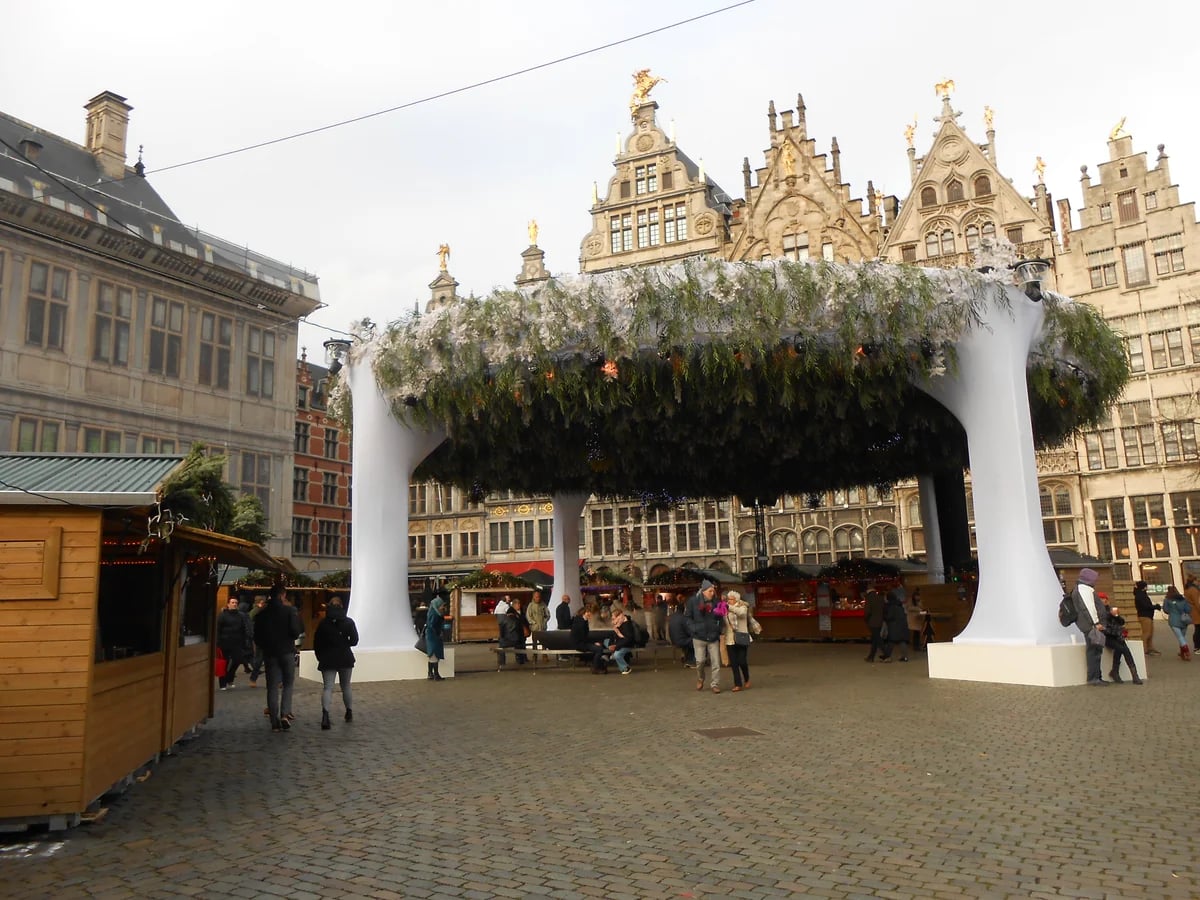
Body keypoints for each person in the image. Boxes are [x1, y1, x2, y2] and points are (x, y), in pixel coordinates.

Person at [254, 585, 304, 731]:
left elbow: (257, 637)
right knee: (288, 684)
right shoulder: (289, 611)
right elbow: (296, 632)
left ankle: (273, 721)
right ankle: (284, 714)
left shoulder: (262, 614)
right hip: (287, 651)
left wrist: (265, 645)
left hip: (270, 653)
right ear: (282, 595)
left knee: (272, 687)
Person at [313, 596, 359, 728]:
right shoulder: (349, 622)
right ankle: (349, 711)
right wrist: (345, 643)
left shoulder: (323, 623)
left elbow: (317, 643)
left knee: (328, 687)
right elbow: (355, 641)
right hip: (345, 656)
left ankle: (325, 715)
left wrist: (320, 656)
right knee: (346, 686)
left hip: (328, 658)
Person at [685, 579, 724, 693]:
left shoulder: (716, 602)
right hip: (699, 636)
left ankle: (715, 684)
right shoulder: (693, 601)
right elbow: (687, 617)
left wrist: (718, 628)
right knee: (700, 661)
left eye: (713, 591)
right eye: (710, 591)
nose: (713, 593)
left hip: (713, 636)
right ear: (704, 591)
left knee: (716, 662)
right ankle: (700, 678)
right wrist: (693, 628)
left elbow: (720, 617)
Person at [1070, 567, 1108, 684]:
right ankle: (1094, 678)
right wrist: (1096, 623)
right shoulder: (1084, 590)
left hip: (1089, 625)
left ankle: (1096, 676)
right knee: (1094, 651)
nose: (1095, 580)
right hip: (1091, 626)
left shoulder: (1081, 589)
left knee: (1095, 650)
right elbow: (1089, 608)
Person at [1098, 596, 1142, 685]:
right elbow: (1104, 628)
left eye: (1105, 599)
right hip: (1107, 637)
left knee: (1124, 649)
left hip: (1117, 636)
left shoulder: (1111, 610)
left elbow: (1121, 622)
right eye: (1101, 599)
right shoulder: (1099, 612)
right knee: (1122, 649)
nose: (1104, 601)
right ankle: (1131, 675)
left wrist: (1116, 616)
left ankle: (1130, 674)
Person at [724, 590, 758, 692]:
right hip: (730, 639)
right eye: (728, 599)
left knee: (742, 661)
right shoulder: (725, 608)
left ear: (736, 599)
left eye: (731, 599)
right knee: (734, 663)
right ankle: (737, 684)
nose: (729, 601)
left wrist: (729, 607)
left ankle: (746, 678)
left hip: (742, 637)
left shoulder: (742, 607)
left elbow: (742, 614)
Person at [216, 597, 250, 690]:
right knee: (224, 663)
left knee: (238, 660)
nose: (234, 604)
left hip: (237, 643)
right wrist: (217, 643)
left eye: (236, 602)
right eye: (232, 602)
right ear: (228, 604)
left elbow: (243, 628)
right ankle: (222, 684)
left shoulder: (240, 616)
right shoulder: (222, 616)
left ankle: (229, 678)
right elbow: (218, 629)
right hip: (224, 643)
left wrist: (244, 641)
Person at [570, 607, 608, 673]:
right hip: (579, 644)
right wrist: (593, 643)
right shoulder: (580, 623)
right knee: (599, 649)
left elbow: (584, 636)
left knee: (600, 646)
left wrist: (593, 643)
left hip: (581, 643)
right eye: (589, 613)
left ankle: (598, 665)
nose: (591, 614)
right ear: (585, 613)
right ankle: (595, 668)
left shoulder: (582, 621)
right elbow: (583, 638)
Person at [879, 586, 910, 662]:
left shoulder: (891, 606)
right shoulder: (899, 604)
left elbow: (889, 616)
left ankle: (887, 656)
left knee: (891, 641)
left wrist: (884, 617)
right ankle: (904, 656)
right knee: (901, 641)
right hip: (902, 625)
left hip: (894, 626)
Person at [1162, 585, 1191, 661]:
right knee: (1182, 637)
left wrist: (1172, 611)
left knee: (1180, 637)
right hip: (1184, 621)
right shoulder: (1183, 599)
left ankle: (1186, 651)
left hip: (1174, 620)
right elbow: (1188, 609)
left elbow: (1166, 610)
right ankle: (1182, 653)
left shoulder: (1167, 600)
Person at [1132, 581, 1161, 656]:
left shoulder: (1142, 594)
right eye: (1146, 586)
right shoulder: (1140, 595)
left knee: (1150, 633)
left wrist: (1154, 607)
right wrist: (1155, 607)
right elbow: (1145, 606)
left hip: (1148, 616)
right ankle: (1144, 650)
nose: (1147, 587)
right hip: (1144, 616)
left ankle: (1150, 648)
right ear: (1143, 587)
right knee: (1146, 633)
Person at [424, 595, 448, 681]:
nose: (443, 607)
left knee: (432, 655)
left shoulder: (433, 612)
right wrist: (438, 634)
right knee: (434, 655)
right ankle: (436, 675)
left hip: (431, 636)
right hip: (433, 637)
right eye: (442, 605)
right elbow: (432, 626)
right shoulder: (435, 614)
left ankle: (430, 674)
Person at [667, 601, 697, 667]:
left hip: (673, 640)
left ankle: (685, 656)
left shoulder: (673, 617)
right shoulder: (683, 618)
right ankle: (691, 661)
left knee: (689, 640)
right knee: (696, 641)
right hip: (681, 641)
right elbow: (689, 631)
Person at [247, 597, 268, 686]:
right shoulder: (255, 611)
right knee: (259, 660)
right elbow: (250, 620)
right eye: (262, 602)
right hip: (260, 639)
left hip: (268, 639)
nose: (263, 604)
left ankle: (274, 681)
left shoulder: (266, 611)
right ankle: (253, 679)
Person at [610, 609, 636, 675]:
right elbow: (614, 636)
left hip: (627, 645)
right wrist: (611, 644)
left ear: (619, 616)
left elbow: (628, 639)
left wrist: (616, 646)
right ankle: (610, 655)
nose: (612, 620)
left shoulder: (627, 625)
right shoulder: (619, 623)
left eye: (613, 618)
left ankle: (626, 668)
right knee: (605, 641)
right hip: (620, 643)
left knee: (617, 655)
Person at [863, 587, 885, 662]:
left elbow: (867, 611)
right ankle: (871, 656)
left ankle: (887, 654)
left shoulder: (869, 599)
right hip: (880, 621)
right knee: (875, 639)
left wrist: (866, 619)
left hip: (872, 622)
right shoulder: (880, 598)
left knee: (877, 639)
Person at [906, 588, 929, 653]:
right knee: (915, 633)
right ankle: (915, 646)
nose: (918, 597)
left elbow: (921, 608)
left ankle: (917, 645)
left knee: (917, 633)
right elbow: (909, 608)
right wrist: (917, 609)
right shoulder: (910, 601)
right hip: (912, 619)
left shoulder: (919, 601)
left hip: (918, 619)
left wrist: (920, 607)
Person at [1186, 576, 1200, 654]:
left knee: (1197, 629)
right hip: (1196, 612)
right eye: (1197, 580)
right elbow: (1197, 602)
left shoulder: (1188, 589)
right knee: (1198, 630)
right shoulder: (1194, 590)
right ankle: (1197, 647)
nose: (1198, 582)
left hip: (1192, 611)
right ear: (1194, 581)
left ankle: (1197, 647)